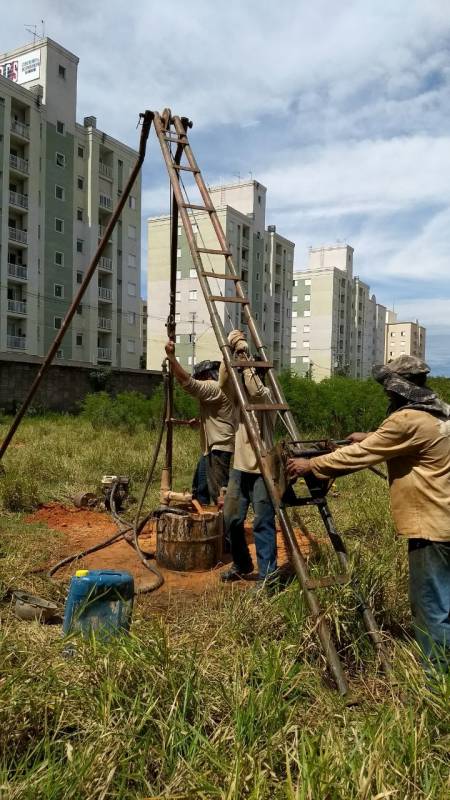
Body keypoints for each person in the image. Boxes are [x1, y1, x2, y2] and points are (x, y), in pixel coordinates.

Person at [286, 355, 450, 673]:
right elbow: (396, 442)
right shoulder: (440, 413)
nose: (387, 395)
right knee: (444, 599)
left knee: (431, 607)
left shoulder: (407, 421)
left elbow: (362, 455)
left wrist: (312, 465)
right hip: (445, 518)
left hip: (431, 525)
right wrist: (371, 437)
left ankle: (438, 684)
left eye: (389, 390)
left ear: (399, 389)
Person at [220, 330, 278, 584]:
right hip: (240, 467)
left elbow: (255, 389)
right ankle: (242, 564)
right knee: (231, 520)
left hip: (263, 468)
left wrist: (243, 353)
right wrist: (230, 351)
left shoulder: (268, 397)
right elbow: (223, 381)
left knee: (263, 524)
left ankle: (268, 577)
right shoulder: (239, 399)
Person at [165, 341, 234, 505]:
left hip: (219, 447)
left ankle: (223, 525)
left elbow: (188, 383)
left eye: (200, 378)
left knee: (219, 493)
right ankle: (204, 515)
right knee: (200, 485)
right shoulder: (225, 389)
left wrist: (172, 358)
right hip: (213, 448)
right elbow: (218, 417)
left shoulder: (214, 387)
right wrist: (199, 422)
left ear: (206, 376)